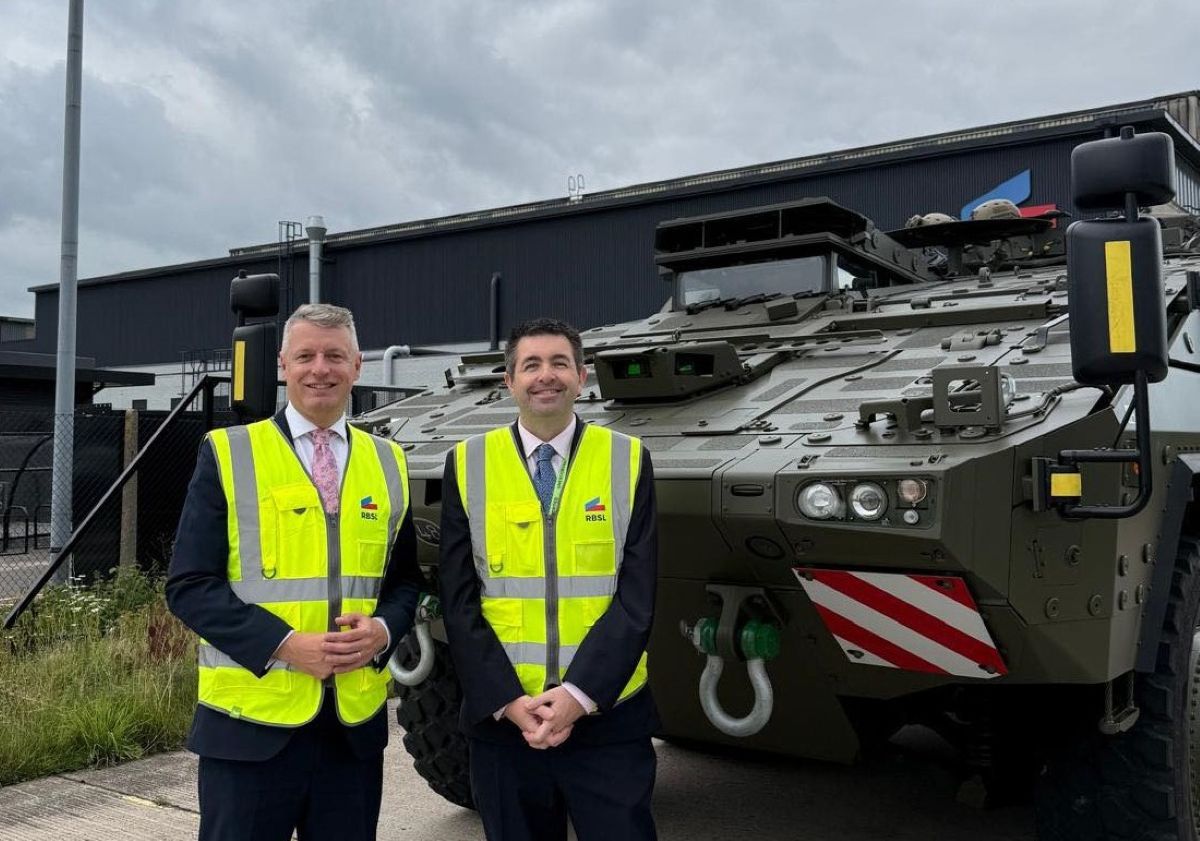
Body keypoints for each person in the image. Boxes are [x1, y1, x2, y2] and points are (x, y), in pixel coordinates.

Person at [167, 303, 423, 841]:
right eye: (305, 355)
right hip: (249, 730)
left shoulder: (389, 462)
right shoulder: (230, 453)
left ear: (357, 365)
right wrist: (284, 643)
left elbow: (403, 583)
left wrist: (383, 630)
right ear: (283, 364)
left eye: (334, 355)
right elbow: (190, 586)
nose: (319, 369)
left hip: (351, 732)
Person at [439, 317, 659, 841]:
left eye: (559, 363)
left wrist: (578, 696)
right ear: (508, 381)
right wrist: (509, 701)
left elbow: (638, 594)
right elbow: (458, 598)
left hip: (606, 718)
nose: (546, 376)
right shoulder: (467, 463)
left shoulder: (627, 459)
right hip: (505, 722)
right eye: (531, 365)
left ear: (582, 377)